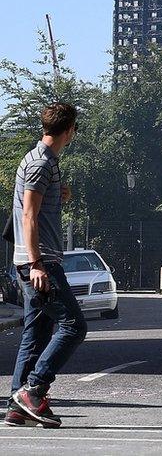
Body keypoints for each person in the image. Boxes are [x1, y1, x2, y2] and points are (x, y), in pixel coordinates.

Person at [6, 103, 83, 428]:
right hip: (40, 262)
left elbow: (35, 204)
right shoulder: (41, 163)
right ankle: (34, 389)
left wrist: (57, 194)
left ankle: (18, 404)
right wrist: (36, 263)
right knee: (73, 325)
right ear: (69, 131)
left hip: (34, 260)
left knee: (36, 333)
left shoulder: (42, 161)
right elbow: (28, 215)